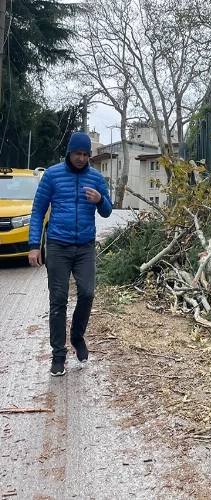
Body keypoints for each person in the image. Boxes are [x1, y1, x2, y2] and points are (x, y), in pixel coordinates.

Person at [29, 131, 113, 376]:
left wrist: (100, 200)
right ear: (69, 152)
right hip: (57, 245)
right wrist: (35, 245)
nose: (82, 158)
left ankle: (77, 337)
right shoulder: (52, 176)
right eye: (78, 153)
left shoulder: (96, 178)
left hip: (85, 246)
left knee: (87, 293)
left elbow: (107, 212)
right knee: (58, 301)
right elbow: (37, 211)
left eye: (86, 154)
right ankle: (58, 355)